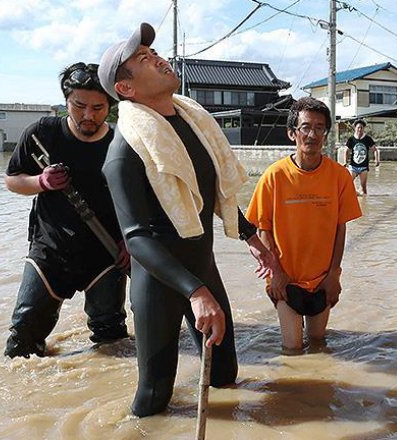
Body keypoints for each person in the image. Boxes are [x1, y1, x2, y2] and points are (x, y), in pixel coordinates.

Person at [97, 22, 276, 417]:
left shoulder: (193, 124)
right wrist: (196, 293)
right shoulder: (124, 153)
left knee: (224, 375)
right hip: (159, 282)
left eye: (154, 52)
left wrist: (250, 236)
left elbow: (211, 194)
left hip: (201, 267)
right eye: (143, 58)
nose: (158, 59)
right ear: (125, 88)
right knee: (154, 397)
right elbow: (136, 239)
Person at [3, 62, 130, 359]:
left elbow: (140, 199)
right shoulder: (42, 134)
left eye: (98, 108)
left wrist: (131, 240)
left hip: (107, 253)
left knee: (113, 343)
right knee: (21, 343)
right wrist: (41, 182)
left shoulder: (122, 141)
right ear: (66, 101)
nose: (88, 115)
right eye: (79, 106)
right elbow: (12, 180)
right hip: (50, 249)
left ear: (110, 106)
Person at [246, 97, 362, 352]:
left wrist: (333, 275)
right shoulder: (274, 176)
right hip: (285, 280)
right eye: (305, 127)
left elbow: (340, 228)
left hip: (322, 280)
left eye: (319, 128)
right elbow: (263, 228)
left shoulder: (340, 176)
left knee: (319, 342)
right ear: (292, 133)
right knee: (292, 348)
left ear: (326, 134)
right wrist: (276, 274)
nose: (312, 135)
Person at [345, 119, 379, 195]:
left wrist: (376, 160)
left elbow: (375, 150)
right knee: (347, 183)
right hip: (353, 166)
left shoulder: (367, 139)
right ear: (355, 128)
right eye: (358, 128)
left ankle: (364, 200)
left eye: (361, 128)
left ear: (363, 129)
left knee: (364, 189)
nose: (360, 129)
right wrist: (345, 162)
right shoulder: (351, 139)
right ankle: (354, 194)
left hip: (363, 167)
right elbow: (346, 150)